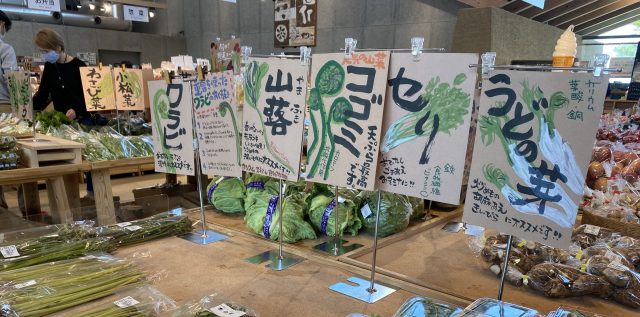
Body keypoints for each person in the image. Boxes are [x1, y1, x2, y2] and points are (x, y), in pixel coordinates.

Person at [32, 28, 89, 123]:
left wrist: (76, 110)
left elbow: (89, 97)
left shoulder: (79, 66)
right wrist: (27, 106)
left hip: (81, 121)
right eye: (42, 51)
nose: (44, 55)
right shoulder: (49, 66)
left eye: (46, 51)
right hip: (60, 121)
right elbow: (42, 95)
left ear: (58, 47)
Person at [0, 10, 16, 209]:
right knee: (13, 154)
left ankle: (1, 207)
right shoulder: (5, 48)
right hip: (3, 105)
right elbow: (10, 78)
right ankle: (27, 208)